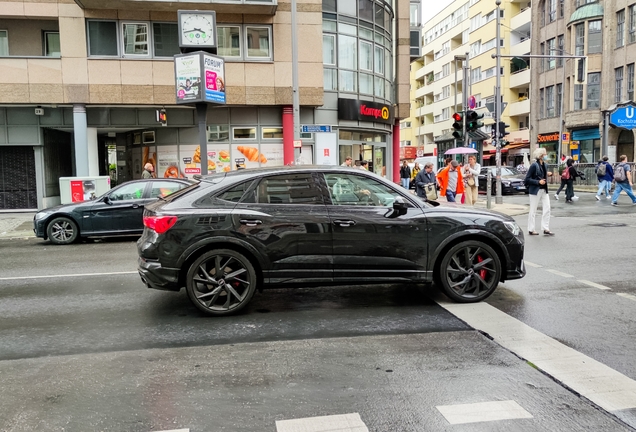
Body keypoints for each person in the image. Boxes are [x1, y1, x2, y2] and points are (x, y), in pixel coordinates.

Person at [525, 147, 554, 236]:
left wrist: (547, 174)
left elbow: (541, 175)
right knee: (533, 210)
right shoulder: (534, 165)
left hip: (544, 190)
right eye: (545, 154)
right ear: (541, 155)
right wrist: (538, 182)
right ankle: (531, 229)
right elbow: (527, 179)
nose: (546, 155)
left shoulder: (545, 165)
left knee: (547, 208)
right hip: (535, 190)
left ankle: (546, 228)